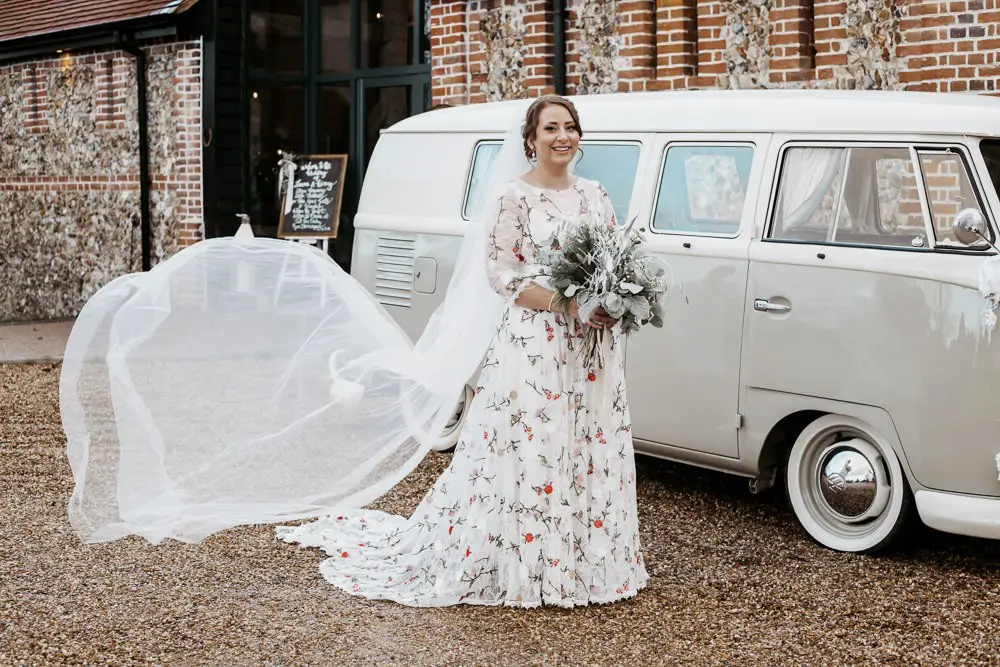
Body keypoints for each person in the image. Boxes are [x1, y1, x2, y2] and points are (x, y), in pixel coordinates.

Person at [276, 95, 649, 608]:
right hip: (535, 344)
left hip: (593, 347)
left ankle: (588, 564)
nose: (563, 136)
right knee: (534, 445)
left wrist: (611, 302)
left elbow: (612, 259)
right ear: (530, 140)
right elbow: (500, 273)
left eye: (571, 127)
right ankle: (527, 565)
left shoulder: (597, 195)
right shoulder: (514, 198)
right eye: (551, 128)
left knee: (588, 441)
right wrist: (565, 303)